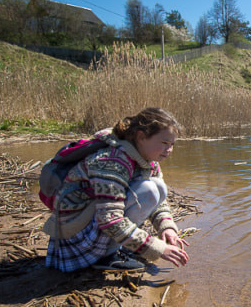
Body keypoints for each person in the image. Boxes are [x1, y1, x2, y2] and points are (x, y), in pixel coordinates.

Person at [44, 107, 190, 272]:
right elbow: (109, 219)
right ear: (141, 136)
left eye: (172, 144)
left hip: (94, 222)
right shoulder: (112, 161)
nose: (169, 150)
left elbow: (159, 200)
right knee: (149, 189)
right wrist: (156, 248)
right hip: (77, 237)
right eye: (164, 143)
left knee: (158, 187)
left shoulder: (148, 159)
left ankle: (119, 246)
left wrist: (166, 226)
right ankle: (106, 256)